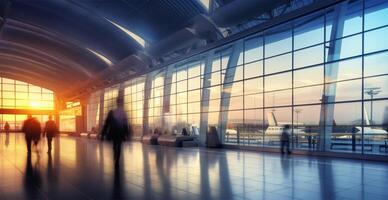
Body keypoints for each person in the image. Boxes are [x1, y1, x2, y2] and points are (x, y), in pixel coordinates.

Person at [101, 96, 130, 167]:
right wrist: (127, 134)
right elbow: (125, 124)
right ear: (121, 103)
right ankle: (117, 160)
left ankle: (115, 156)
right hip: (120, 132)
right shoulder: (123, 113)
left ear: (116, 103)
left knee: (115, 145)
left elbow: (107, 123)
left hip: (114, 131)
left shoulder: (112, 112)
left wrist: (103, 133)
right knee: (119, 146)